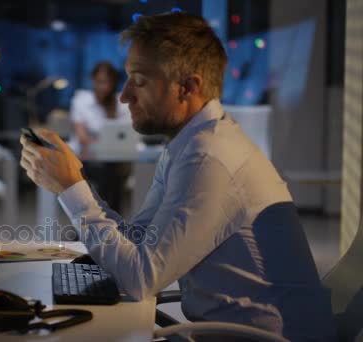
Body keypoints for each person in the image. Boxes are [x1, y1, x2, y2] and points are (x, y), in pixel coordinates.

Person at [20, 12, 336, 341]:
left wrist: (71, 188)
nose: (125, 95)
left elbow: (140, 278)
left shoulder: (209, 159)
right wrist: (77, 178)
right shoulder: (188, 145)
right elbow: (137, 241)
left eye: (139, 81)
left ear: (187, 87)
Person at [69, 61, 132, 211]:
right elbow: (82, 138)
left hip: (114, 161)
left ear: (114, 83)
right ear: (92, 80)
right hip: (86, 160)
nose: (103, 87)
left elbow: (128, 134)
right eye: (99, 82)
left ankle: (104, 223)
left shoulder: (121, 103)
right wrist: (107, 142)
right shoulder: (82, 100)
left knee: (112, 174)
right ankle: (106, 222)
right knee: (108, 177)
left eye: (107, 82)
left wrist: (99, 142)